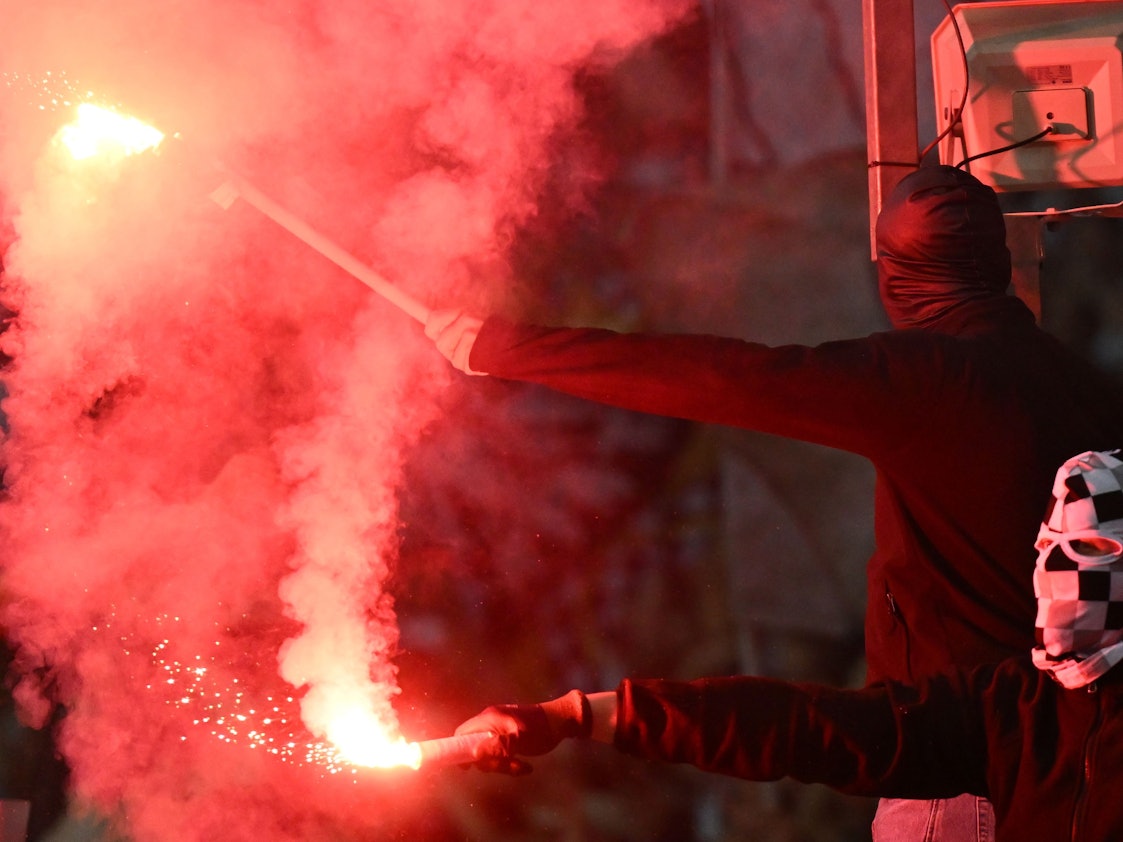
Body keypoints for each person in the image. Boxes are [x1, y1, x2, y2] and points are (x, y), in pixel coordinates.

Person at [425, 164, 1123, 839]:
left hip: (960, 769)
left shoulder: (921, 381)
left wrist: (511, 350)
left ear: (894, 273)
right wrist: (579, 716)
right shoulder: (1083, 384)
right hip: (1039, 735)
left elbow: (721, 380)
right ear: (998, 263)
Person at [453, 450, 1123, 842]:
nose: (1063, 571)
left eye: (1094, 549)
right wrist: (572, 716)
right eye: (1051, 546)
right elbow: (808, 727)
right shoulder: (1011, 706)